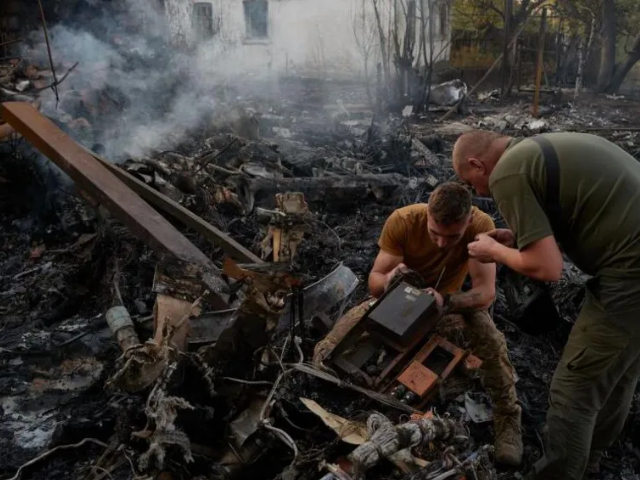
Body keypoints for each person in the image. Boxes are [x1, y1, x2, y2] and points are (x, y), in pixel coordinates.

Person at [452, 129, 640, 480]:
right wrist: (515, 240)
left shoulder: (508, 172)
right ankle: (589, 462)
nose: (477, 193)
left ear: (478, 164)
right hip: (631, 261)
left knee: (573, 389)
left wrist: (495, 252)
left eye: (471, 182)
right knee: (616, 375)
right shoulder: (535, 150)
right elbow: (584, 213)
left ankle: (560, 472)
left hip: (630, 275)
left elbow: (548, 269)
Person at [313, 182, 523, 466]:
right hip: (399, 299)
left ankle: (507, 416)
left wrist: (445, 301)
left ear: (468, 221)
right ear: (426, 215)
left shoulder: (480, 226)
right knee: (325, 354)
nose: (441, 243)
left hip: (447, 304)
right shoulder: (403, 221)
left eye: (452, 237)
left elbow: (485, 293)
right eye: (434, 233)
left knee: (491, 341)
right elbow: (375, 279)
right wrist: (389, 281)